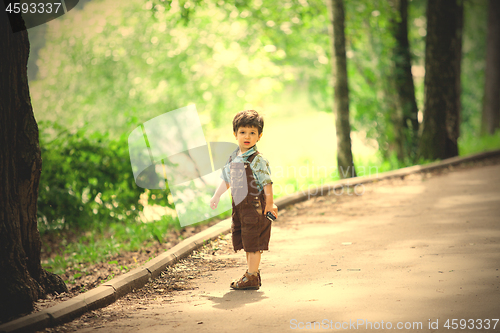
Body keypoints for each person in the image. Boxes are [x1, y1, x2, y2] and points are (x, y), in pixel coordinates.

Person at [209, 110, 278, 290]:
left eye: (252, 133)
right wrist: (217, 195)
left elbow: (267, 183)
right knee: (247, 241)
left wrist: (270, 204)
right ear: (235, 134)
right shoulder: (233, 157)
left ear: (259, 136)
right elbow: (227, 179)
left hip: (255, 207)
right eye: (243, 132)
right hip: (240, 207)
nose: (247, 136)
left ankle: (252, 276)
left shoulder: (257, 160)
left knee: (253, 242)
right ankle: (251, 272)